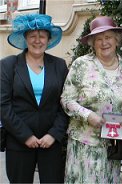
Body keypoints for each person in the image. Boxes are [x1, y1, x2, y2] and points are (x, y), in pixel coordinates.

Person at [61, 16, 122, 183]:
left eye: (108, 37)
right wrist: (88, 115)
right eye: (98, 39)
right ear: (92, 43)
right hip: (85, 143)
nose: (104, 43)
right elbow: (66, 99)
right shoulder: (81, 65)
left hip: (113, 145)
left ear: (117, 41)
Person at [0, 13, 69, 183]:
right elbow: (3, 105)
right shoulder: (8, 65)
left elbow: (65, 103)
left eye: (42, 36)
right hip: (18, 141)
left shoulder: (59, 65)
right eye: (32, 36)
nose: (37, 41)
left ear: (48, 39)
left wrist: (53, 134)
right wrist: (25, 136)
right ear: (25, 38)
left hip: (51, 142)